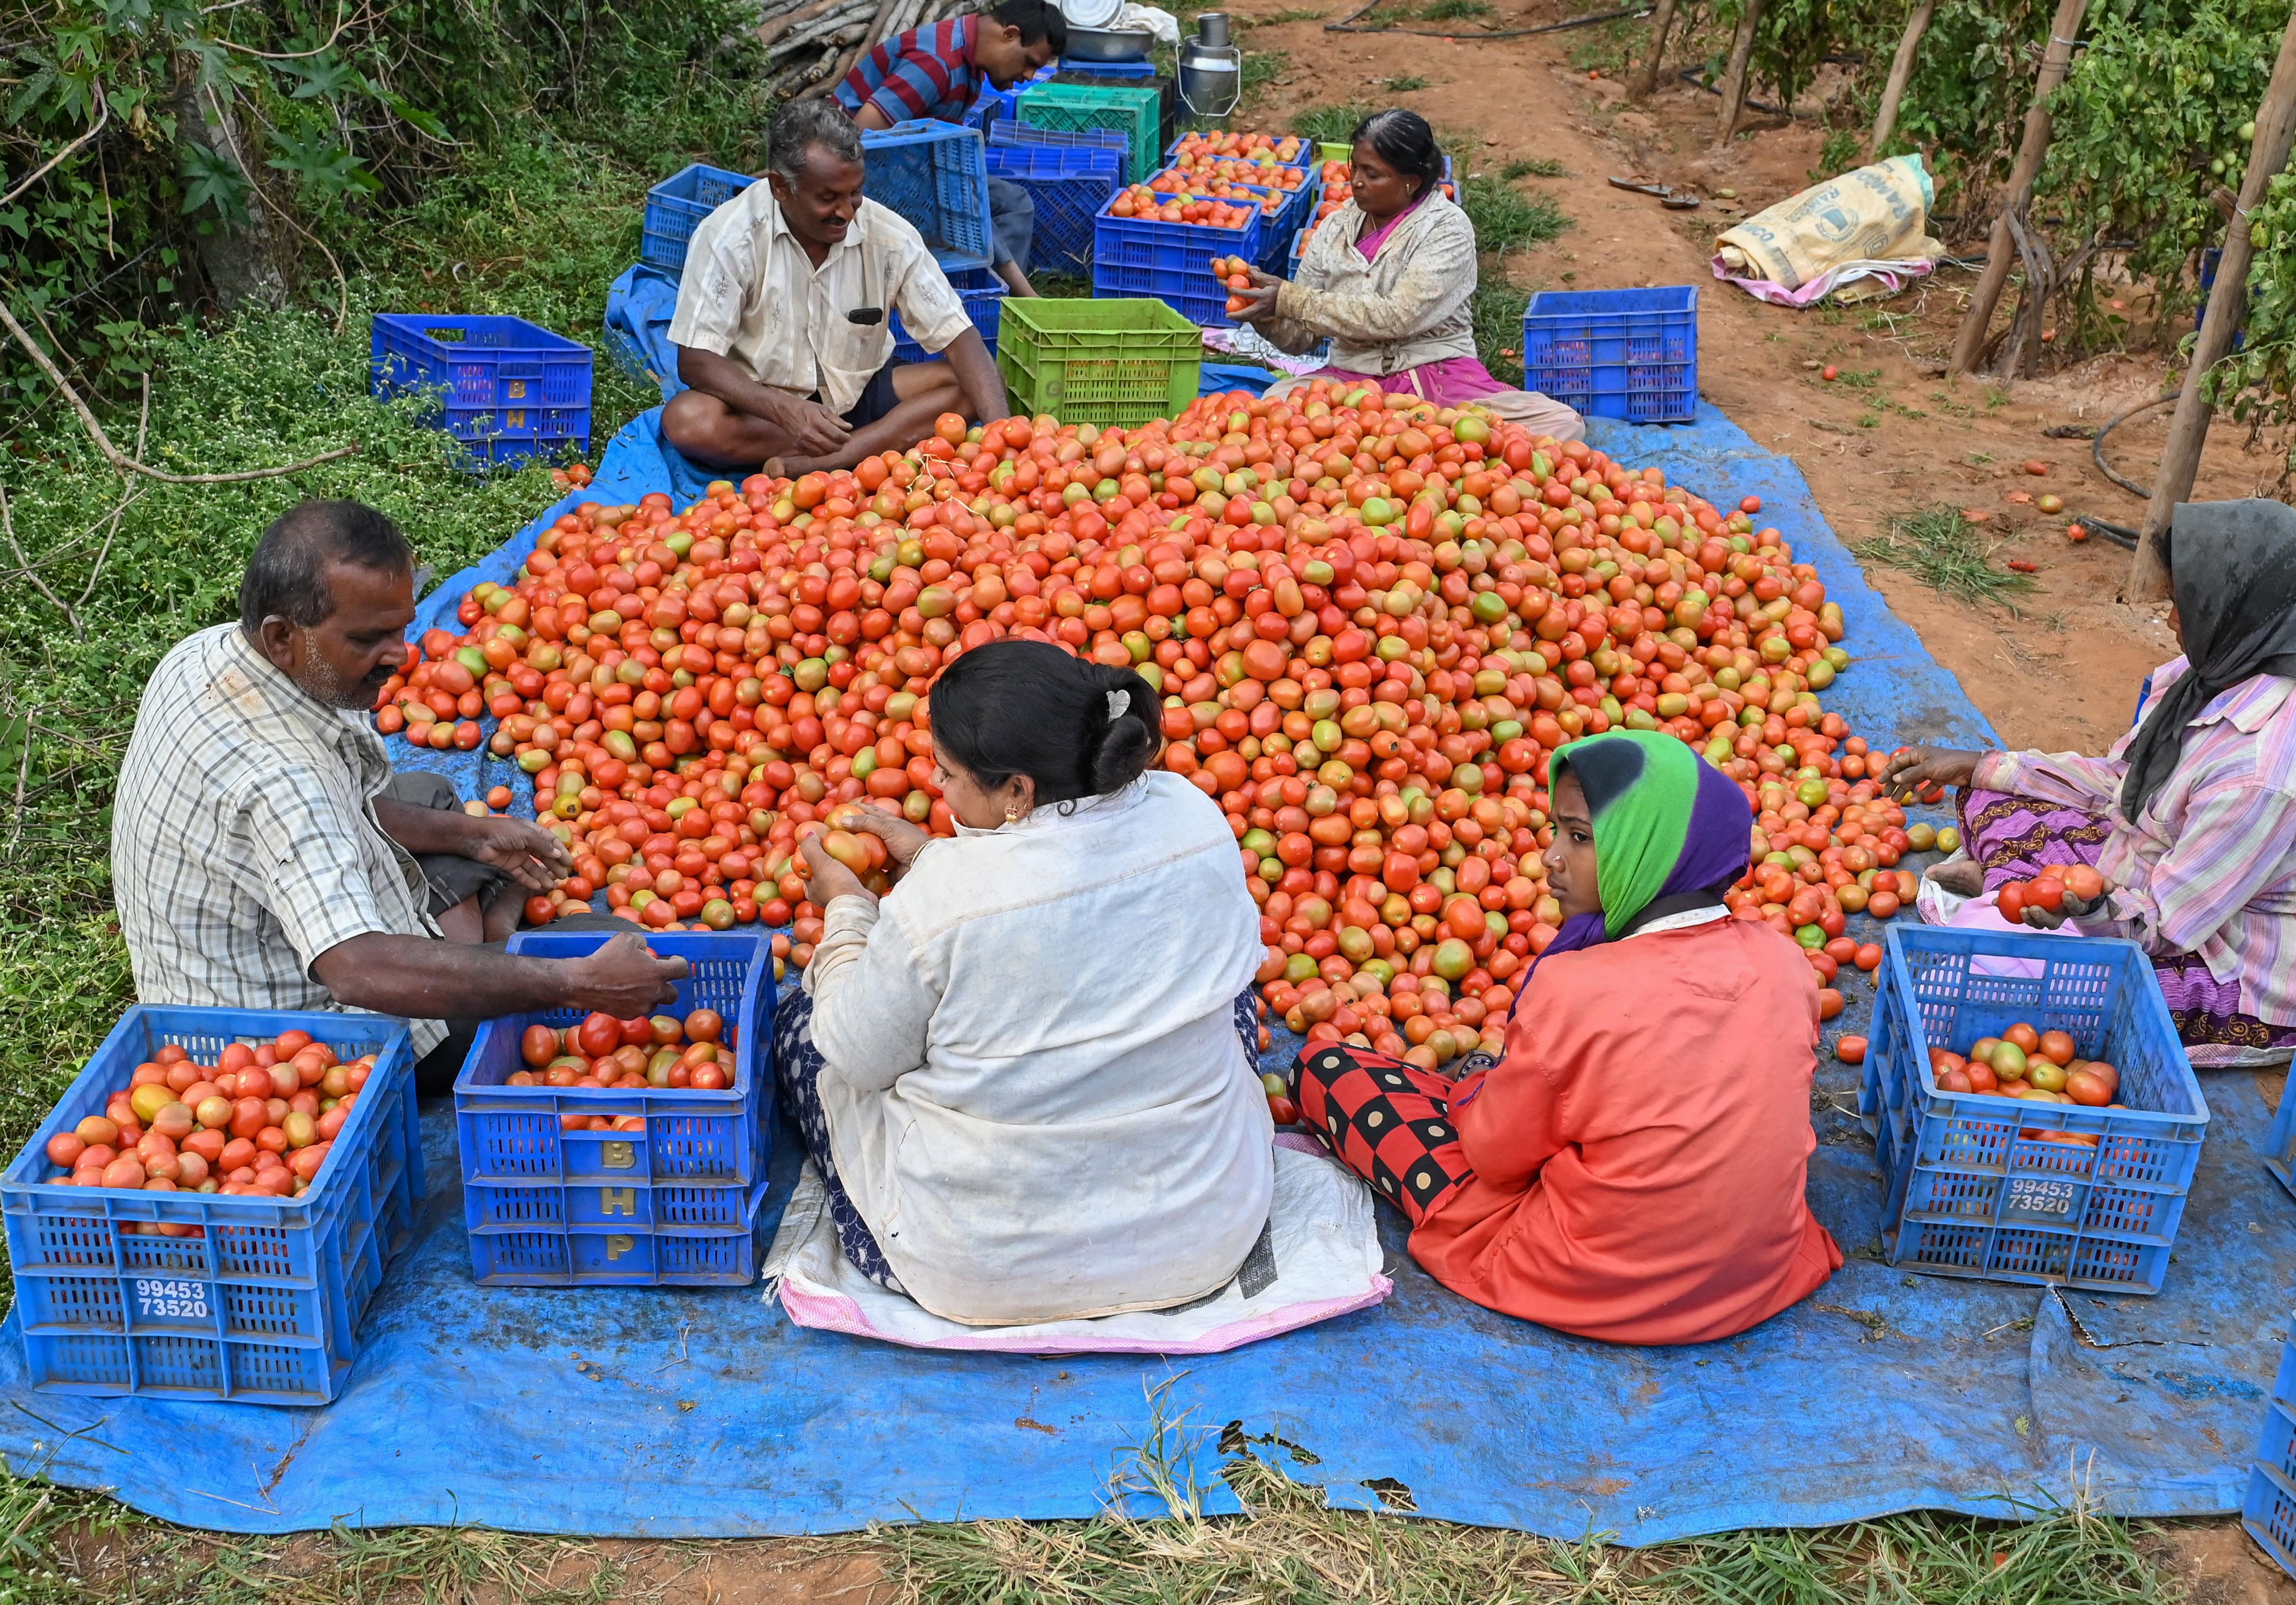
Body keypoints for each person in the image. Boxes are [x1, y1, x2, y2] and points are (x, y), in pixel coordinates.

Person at [110, 501, 689, 1094]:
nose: (400, 655)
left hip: (259, 929)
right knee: (591, 942)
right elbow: (357, 971)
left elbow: (350, 798)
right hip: (285, 1048)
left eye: (401, 628)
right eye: (369, 638)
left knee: (433, 795)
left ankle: (483, 928)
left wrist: (476, 835)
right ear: (283, 636)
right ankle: (491, 937)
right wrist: (576, 982)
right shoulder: (280, 781)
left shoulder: (209, 654)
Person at [774, 640, 1272, 1326]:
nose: (940, 790)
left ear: (1017, 789)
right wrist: (929, 860)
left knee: (809, 1020)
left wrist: (848, 909)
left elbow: (859, 1057)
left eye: (948, 775)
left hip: (982, 1269)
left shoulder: (946, 900)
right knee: (1226, 992)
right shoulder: (1190, 815)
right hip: (1201, 1240)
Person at [1290, 730, 1843, 1345]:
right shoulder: (1786, 959)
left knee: (1329, 1070)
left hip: (1601, 1284)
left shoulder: (1575, 988)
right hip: (1754, 1272)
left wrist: (1482, 1090)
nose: (1550, 857)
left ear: (1648, 851)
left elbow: (1495, 1161)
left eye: (1579, 837)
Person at [1885, 499, 2296, 1067]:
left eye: (2182, 604)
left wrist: (2085, 909)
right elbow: (2120, 786)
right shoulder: (2222, 671)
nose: (2172, 619)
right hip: (2171, 865)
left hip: (2239, 966)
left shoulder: (2270, 773)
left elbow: (2166, 926)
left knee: (2003, 981)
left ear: (2237, 611)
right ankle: (2006, 887)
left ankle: (2008, 894)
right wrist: (1977, 765)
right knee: (1993, 793)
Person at [662, 98, 1011, 480]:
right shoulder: (729, 237)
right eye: (828, 198)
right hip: (765, 412)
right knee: (689, 422)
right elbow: (696, 361)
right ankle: (876, 446)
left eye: (855, 193)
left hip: (862, 391)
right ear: (781, 187)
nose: (846, 211)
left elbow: (960, 338)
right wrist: (783, 409)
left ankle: (833, 459)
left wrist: (1004, 442)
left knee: (975, 382)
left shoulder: (889, 237)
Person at [1232, 110, 1584, 443]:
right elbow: (1302, 340)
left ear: (1411, 182)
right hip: (1353, 382)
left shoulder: (1446, 229)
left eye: (1373, 175)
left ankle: (1407, 451)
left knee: (1560, 423)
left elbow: (1398, 317)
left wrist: (1290, 298)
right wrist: (1266, 313)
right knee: (1274, 403)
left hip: (1438, 377)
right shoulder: (1336, 227)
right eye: (1355, 169)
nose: (1356, 183)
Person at [838, 0, 1066, 298]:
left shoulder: (968, 64)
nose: (1028, 77)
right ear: (1009, 34)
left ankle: (991, 296)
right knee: (965, 195)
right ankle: (1021, 299)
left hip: (906, 167)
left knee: (1013, 202)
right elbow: (860, 135)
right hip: (861, 172)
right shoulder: (936, 63)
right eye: (1029, 63)